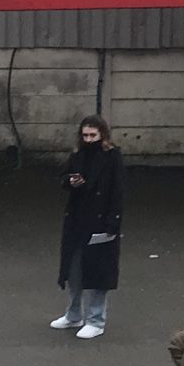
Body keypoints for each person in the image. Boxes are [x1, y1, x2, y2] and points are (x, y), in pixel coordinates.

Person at [52, 114, 124, 338]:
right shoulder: (78, 154)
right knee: (74, 271)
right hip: (77, 220)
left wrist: (113, 222)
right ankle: (74, 314)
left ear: (102, 134)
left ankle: (96, 320)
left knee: (98, 273)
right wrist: (71, 181)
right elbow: (63, 177)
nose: (89, 139)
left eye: (93, 135)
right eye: (85, 135)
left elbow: (117, 190)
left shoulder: (112, 157)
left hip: (100, 221)